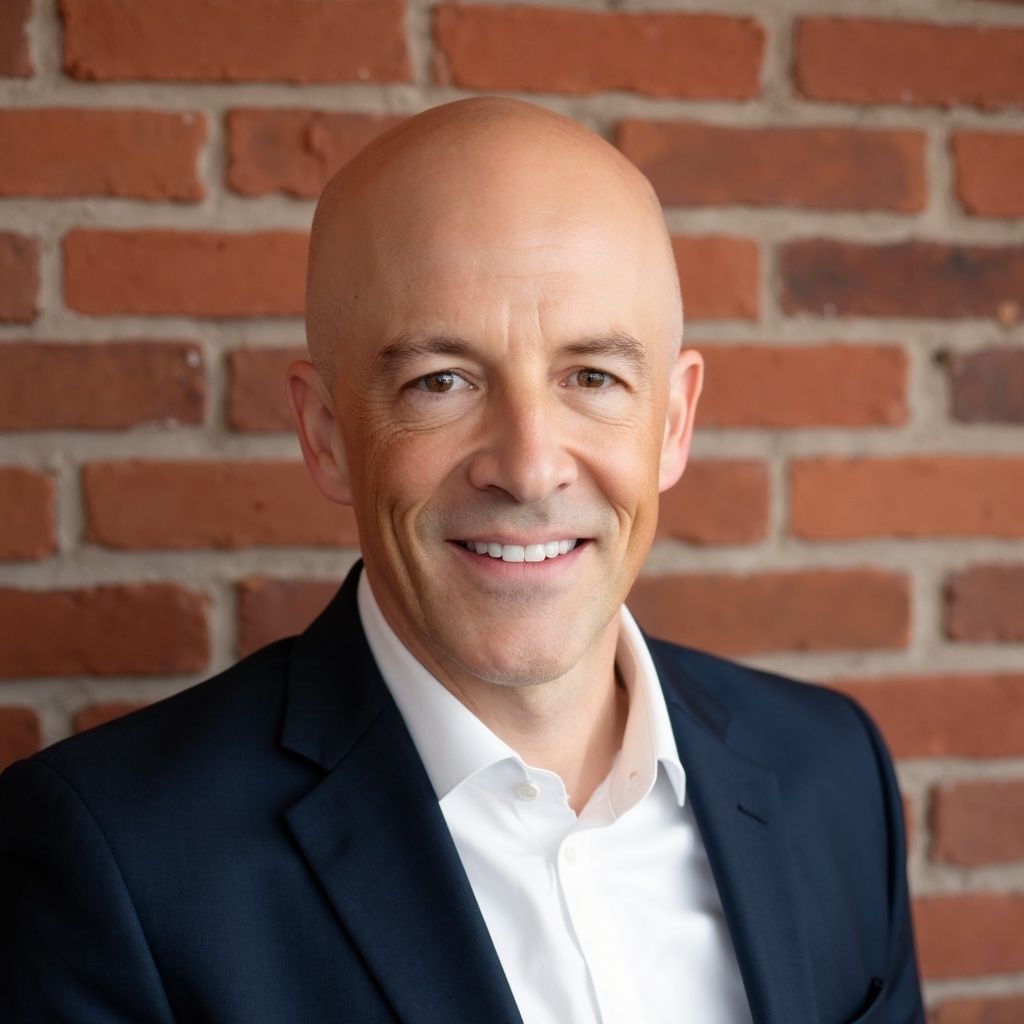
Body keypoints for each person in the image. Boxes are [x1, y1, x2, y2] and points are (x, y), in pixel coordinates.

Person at [0, 98, 923, 1023]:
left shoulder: (832, 774)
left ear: (673, 422)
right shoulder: (113, 861)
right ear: (326, 434)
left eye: (592, 377)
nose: (528, 467)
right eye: (442, 381)